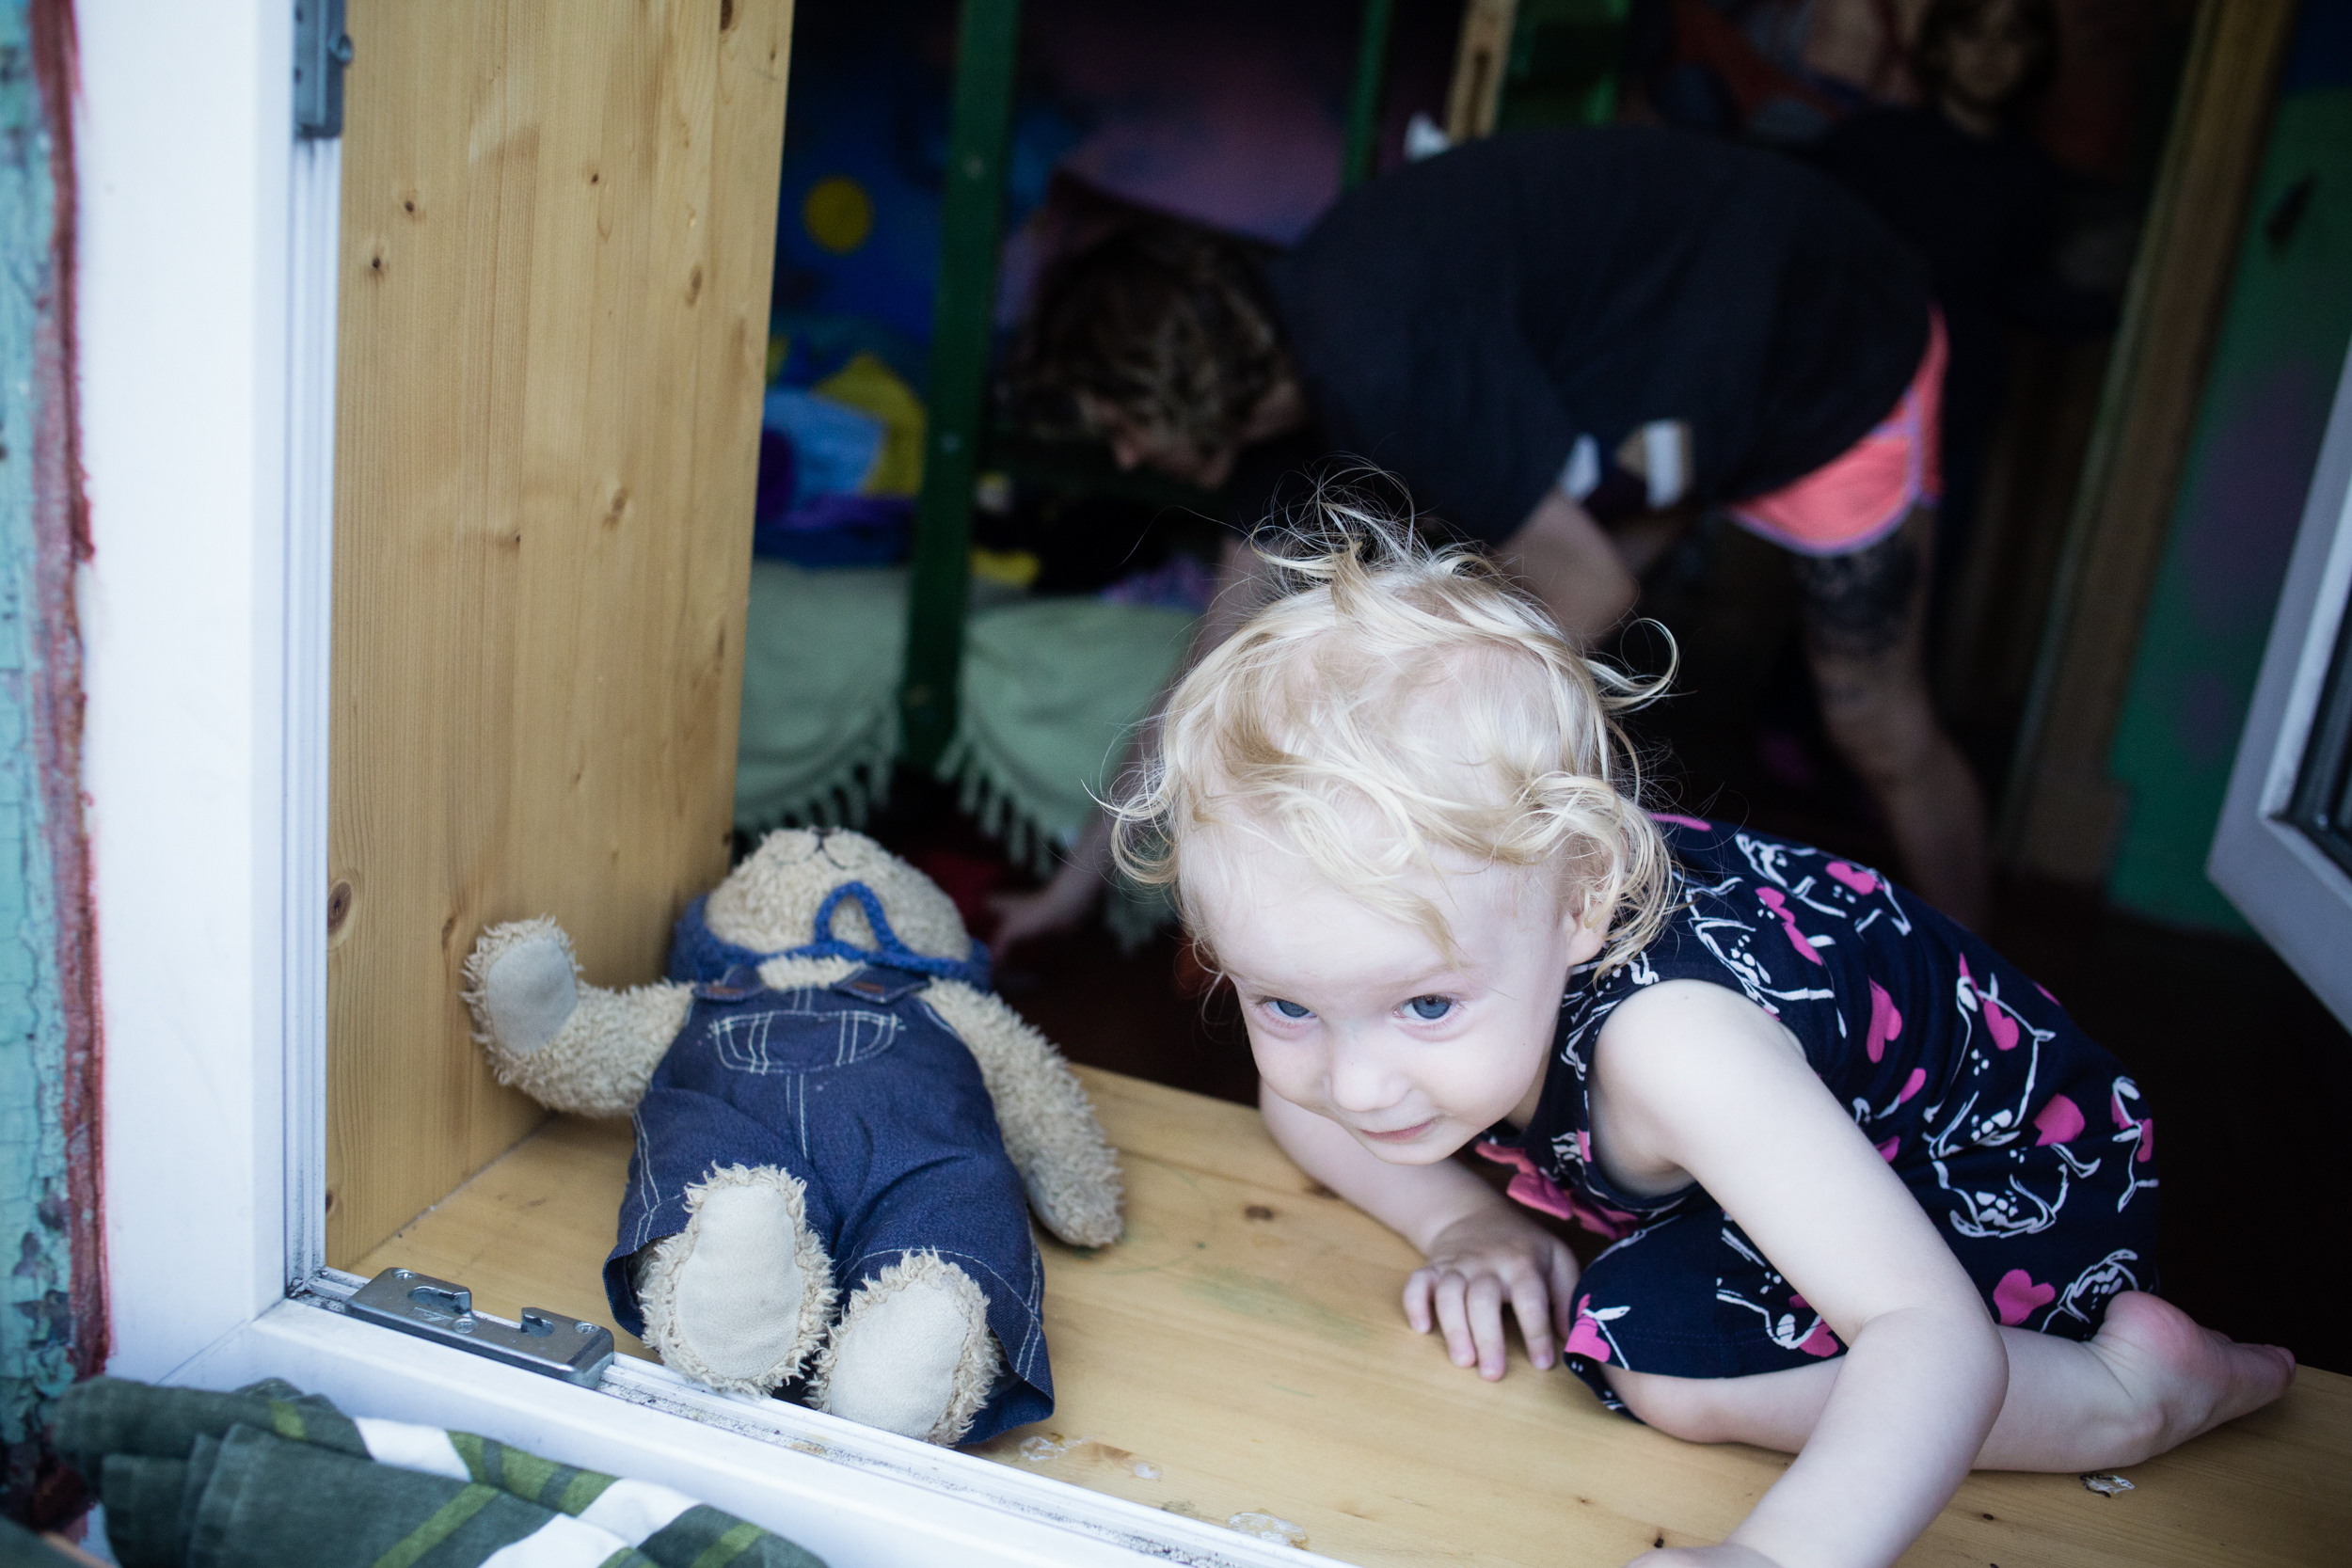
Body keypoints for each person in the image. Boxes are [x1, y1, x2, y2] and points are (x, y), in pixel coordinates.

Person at [1107, 509, 2293, 1568]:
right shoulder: (1485, 919)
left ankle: (2126, 1392)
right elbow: (1303, 1104)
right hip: (1794, 1158)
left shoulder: (1675, 1047)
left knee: (1657, 1358)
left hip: (2001, 1184)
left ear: (1583, 902)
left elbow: (1926, 1331)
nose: (1355, 1081)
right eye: (1285, 1005)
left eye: (1424, 1005)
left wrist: (1779, 1554)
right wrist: (1464, 1217)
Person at [997, 126, 1992, 949]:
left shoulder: (1379, 355)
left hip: (1825, 336)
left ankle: (1996, 1010)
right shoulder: (1293, 400)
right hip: (1679, 364)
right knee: (1506, 635)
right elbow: (1208, 672)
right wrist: (1072, 890)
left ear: (1181, 381)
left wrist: (1379, 768)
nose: (1124, 460)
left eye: (1123, 421)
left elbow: (1586, 587)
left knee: (1875, 725)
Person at [1813, 0, 2113, 619]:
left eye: (2011, 37)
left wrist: (2120, 306)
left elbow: (2018, 287)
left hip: (1957, 416)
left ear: (2035, 57)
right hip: (1862, 403)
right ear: (1941, 46)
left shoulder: (2030, 176)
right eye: (1973, 33)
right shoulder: (1877, 146)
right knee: (1834, 582)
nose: (1990, 53)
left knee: (1913, 592)